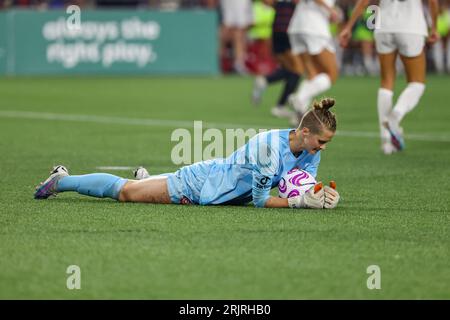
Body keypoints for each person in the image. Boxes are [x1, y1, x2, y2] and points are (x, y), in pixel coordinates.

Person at [34, 98, 341, 210]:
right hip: (200, 184)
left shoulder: (310, 153)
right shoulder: (268, 148)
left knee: (139, 186)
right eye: (321, 142)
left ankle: (148, 178)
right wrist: (299, 203)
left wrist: (320, 196)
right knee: (126, 193)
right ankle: (63, 180)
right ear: (304, 132)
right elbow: (262, 201)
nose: (323, 148)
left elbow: (299, 184)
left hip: (219, 184)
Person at [339, 0, 439, 154]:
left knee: (386, 82)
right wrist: (435, 27)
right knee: (417, 83)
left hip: (383, 27)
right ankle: (395, 117)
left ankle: (386, 143)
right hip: (411, 27)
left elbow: (365, 2)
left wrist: (348, 27)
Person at [287, 0, 341, 125]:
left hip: (297, 27)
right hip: (314, 28)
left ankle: (299, 113)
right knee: (332, 74)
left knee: (313, 74)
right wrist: (330, 10)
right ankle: (299, 98)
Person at [252, 0, 305, 120]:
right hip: (288, 31)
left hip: (277, 30)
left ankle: (265, 81)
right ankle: (283, 106)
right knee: (298, 70)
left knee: (290, 70)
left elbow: (268, 2)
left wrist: (278, 5)